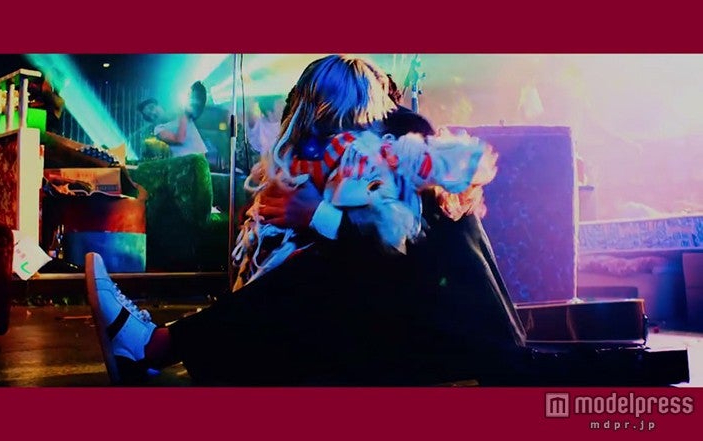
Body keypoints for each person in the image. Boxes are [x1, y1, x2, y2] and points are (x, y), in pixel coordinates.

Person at [85, 55, 513, 386]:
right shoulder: (364, 149)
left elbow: (402, 253)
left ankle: (155, 346)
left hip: (459, 347)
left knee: (318, 272)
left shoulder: (408, 144)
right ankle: (158, 347)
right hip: (421, 334)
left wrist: (314, 214)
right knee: (309, 273)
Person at [136, 81, 208, 159]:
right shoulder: (158, 129)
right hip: (185, 161)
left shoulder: (180, 111)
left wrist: (198, 89)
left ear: (158, 105)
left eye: (152, 108)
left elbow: (197, 107)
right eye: (149, 115)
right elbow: (179, 140)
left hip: (201, 158)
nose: (153, 113)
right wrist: (185, 116)